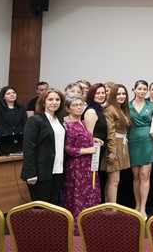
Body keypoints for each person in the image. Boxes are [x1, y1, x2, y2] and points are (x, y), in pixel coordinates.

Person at [61, 95, 101, 235]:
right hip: (76, 167)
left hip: (89, 165)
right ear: (68, 109)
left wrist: (94, 140)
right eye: (75, 105)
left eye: (81, 104)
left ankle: (90, 225)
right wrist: (87, 150)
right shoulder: (67, 126)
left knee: (91, 192)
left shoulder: (83, 123)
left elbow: (83, 139)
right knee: (77, 195)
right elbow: (67, 148)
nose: (79, 107)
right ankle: (77, 227)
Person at [21, 88, 66, 204]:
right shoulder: (35, 120)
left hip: (57, 169)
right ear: (43, 102)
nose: (54, 102)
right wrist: (31, 173)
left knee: (54, 205)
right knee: (42, 208)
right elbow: (28, 148)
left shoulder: (59, 120)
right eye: (50, 99)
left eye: (57, 99)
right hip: (40, 171)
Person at [128, 80, 153, 220]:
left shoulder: (152, 105)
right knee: (135, 175)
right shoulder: (127, 106)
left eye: (144, 89)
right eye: (139, 89)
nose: (142, 91)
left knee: (145, 175)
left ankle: (143, 208)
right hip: (132, 140)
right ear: (134, 90)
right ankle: (137, 205)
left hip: (148, 141)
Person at [102, 84, 132, 203]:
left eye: (123, 93)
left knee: (112, 180)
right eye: (118, 94)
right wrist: (113, 151)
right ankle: (112, 209)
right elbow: (110, 132)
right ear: (113, 95)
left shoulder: (122, 109)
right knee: (114, 180)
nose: (121, 96)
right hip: (114, 145)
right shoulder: (110, 109)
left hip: (122, 144)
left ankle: (108, 206)